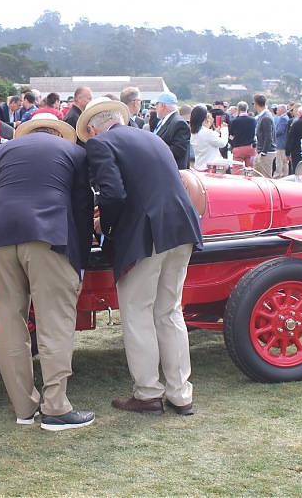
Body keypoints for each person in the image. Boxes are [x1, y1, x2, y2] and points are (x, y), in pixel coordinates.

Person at [78, 97, 203, 417]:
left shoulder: (99, 144)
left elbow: (113, 194)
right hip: (182, 228)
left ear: (93, 129)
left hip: (144, 235)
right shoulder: (153, 138)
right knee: (170, 311)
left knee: (137, 313)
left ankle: (148, 393)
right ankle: (180, 394)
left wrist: (103, 226)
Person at [0, 113, 95, 431]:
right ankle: (55, 408)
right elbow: (82, 209)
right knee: (54, 323)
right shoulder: (75, 153)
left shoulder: (2, 151)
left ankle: (24, 408)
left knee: (10, 324)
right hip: (48, 236)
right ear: (59, 133)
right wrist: (78, 260)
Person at [152, 91, 191, 169]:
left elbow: (179, 150)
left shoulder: (179, 123)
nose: (155, 108)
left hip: (171, 172)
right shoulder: (164, 121)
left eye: (156, 105)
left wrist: (154, 151)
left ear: (162, 106)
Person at [189, 104, 227, 171]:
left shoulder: (193, 132)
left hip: (199, 166)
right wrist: (224, 130)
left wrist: (215, 132)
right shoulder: (207, 132)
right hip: (210, 168)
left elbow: (206, 139)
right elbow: (222, 143)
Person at [252, 94, 276, 178]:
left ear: (256, 104)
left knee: (266, 177)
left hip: (266, 152)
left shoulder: (266, 118)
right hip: (261, 150)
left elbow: (268, 137)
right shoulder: (264, 116)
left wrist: (263, 152)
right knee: (256, 176)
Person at [228, 101, 257, 168]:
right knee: (250, 169)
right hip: (250, 147)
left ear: (238, 109)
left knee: (236, 169)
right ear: (247, 109)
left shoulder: (234, 121)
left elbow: (231, 135)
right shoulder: (253, 120)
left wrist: (232, 144)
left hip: (238, 147)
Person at [273, 104, 289, 178]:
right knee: (283, 161)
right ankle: (284, 175)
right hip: (282, 142)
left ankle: (278, 175)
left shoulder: (283, 119)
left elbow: (280, 131)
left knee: (279, 161)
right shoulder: (285, 118)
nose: (276, 111)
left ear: (282, 110)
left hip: (281, 143)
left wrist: (272, 134)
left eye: (278, 109)